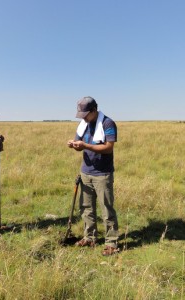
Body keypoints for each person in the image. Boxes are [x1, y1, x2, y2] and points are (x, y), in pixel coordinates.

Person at [67, 96, 119, 256]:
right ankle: (89, 237)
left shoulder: (108, 123)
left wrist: (86, 145)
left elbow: (108, 148)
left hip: (102, 173)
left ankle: (111, 243)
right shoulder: (83, 124)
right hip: (86, 171)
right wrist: (75, 145)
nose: (83, 118)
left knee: (106, 208)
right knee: (86, 207)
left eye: (85, 114)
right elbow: (80, 145)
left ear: (94, 110)